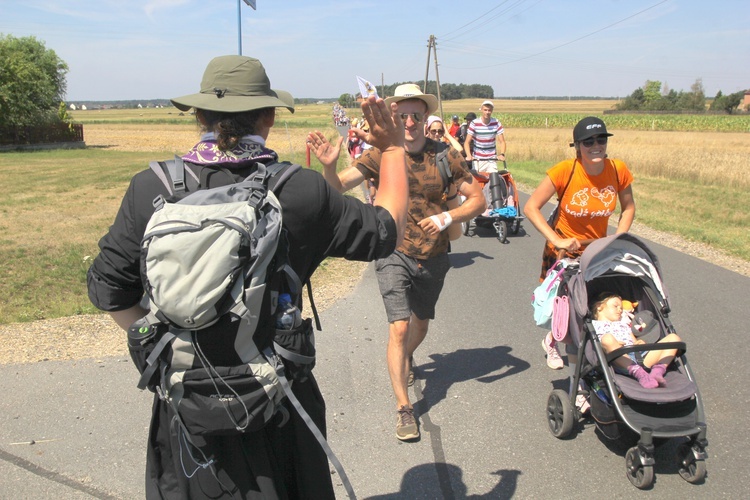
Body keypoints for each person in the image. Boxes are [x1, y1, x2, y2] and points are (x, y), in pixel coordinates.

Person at [87, 54, 409, 499]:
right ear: (270, 117)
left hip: (186, 403)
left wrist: (167, 340)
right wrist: (391, 149)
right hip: (278, 403)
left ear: (199, 115)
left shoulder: (151, 187)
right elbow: (386, 230)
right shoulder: (298, 189)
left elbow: (109, 289)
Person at [306, 83, 485, 442]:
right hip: (392, 250)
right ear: (393, 117)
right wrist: (329, 167)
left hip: (434, 255)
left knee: (419, 324)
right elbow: (337, 187)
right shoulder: (382, 154)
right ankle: (404, 407)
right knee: (399, 328)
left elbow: (477, 200)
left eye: (415, 115)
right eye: (401, 115)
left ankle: (404, 359)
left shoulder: (444, 156)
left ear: (424, 117)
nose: (408, 121)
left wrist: (448, 219)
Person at [523, 116, 636, 409]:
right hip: (563, 254)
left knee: (591, 311)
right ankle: (581, 382)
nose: (596, 146)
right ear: (578, 147)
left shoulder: (617, 170)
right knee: (570, 313)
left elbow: (628, 207)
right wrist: (557, 240)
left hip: (597, 252)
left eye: (601, 139)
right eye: (589, 142)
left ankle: (556, 342)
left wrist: (619, 239)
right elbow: (531, 207)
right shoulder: (565, 171)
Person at [591, 293, 681, 388]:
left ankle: (657, 372)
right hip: (622, 360)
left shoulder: (624, 324)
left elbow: (634, 342)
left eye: (621, 308)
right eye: (615, 306)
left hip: (641, 355)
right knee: (607, 339)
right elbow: (599, 345)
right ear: (599, 307)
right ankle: (639, 373)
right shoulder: (594, 325)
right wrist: (615, 345)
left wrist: (640, 343)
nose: (620, 310)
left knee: (674, 338)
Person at [463, 100, 507, 173]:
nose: (487, 112)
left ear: (492, 111)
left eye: (489, 110)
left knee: (494, 181)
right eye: (485, 110)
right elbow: (467, 142)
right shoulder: (474, 123)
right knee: (477, 182)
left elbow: (502, 141)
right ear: (481, 110)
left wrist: (502, 154)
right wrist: (469, 155)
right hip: (477, 160)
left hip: (491, 159)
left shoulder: (496, 122)